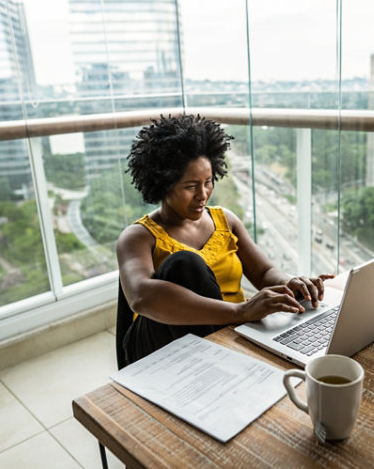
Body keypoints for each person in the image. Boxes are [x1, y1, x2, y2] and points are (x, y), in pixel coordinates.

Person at [116, 114, 333, 366]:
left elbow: (264, 272)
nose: (203, 194)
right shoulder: (138, 237)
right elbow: (141, 297)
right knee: (185, 264)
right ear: (163, 185)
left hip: (227, 331)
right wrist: (240, 311)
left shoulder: (225, 220)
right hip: (159, 343)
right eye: (190, 186)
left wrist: (290, 284)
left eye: (208, 182)